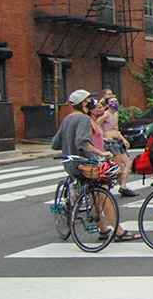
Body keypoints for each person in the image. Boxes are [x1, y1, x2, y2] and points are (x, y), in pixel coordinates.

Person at [51, 89, 136, 242]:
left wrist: (68, 145)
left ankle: (103, 229)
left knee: (94, 195)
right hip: (87, 165)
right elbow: (82, 142)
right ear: (84, 103)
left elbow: (55, 143)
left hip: (71, 165)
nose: (92, 102)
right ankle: (119, 231)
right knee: (104, 196)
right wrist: (101, 153)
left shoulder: (67, 119)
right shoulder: (83, 119)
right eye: (89, 99)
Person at [98, 92, 135, 197]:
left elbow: (116, 129)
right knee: (119, 166)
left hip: (117, 141)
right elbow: (96, 125)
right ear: (108, 104)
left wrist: (123, 140)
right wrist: (103, 137)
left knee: (126, 163)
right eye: (112, 102)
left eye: (116, 101)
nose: (115, 103)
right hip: (110, 143)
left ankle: (122, 185)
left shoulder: (116, 114)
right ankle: (112, 185)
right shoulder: (106, 114)